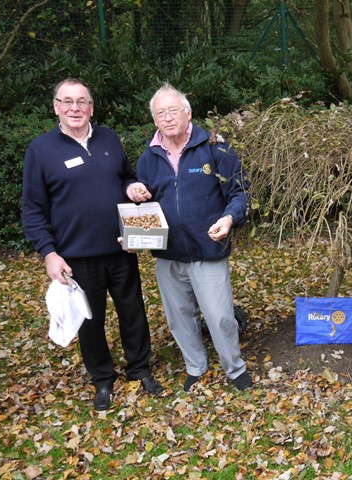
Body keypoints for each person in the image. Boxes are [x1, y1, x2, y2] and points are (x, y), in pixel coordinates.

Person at [22, 78, 164, 411]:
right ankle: (102, 379)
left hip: (120, 248)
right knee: (90, 321)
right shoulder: (41, 150)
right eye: (67, 101)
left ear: (91, 107)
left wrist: (132, 188)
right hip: (75, 257)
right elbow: (32, 209)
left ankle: (139, 369)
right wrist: (49, 253)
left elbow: (126, 176)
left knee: (133, 312)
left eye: (82, 101)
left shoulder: (109, 139)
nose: (75, 108)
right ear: (56, 106)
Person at [127, 83, 252, 392]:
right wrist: (136, 195)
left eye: (173, 110)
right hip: (168, 254)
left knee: (220, 316)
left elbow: (239, 193)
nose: (168, 118)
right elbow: (146, 204)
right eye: (160, 113)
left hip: (207, 249)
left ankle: (234, 368)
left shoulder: (216, 147)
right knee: (180, 317)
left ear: (188, 113)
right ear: (154, 119)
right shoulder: (148, 157)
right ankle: (195, 366)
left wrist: (229, 218)